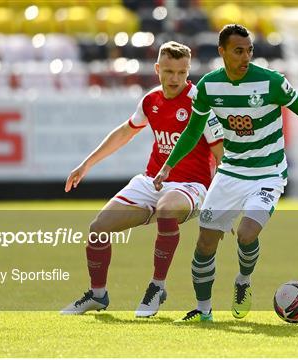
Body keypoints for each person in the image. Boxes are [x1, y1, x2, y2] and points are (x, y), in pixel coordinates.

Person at [153, 24, 298, 322]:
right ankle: (204, 311)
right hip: (230, 172)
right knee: (205, 243)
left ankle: (244, 281)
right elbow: (194, 130)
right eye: (238, 51)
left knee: (246, 235)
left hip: (268, 173)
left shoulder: (271, 82)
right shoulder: (208, 87)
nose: (246, 57)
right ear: (222, 52)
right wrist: (169, 164)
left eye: (249, 51)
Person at [60, 41, 224, 317]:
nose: (175, 79)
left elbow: (221, 153)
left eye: (181, 73)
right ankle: (97, 295)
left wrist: (222, 199)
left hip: (191, 186)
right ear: (158, 69)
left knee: (167, 210)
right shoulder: (151, 100)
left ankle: (157, 287)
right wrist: (86, 164)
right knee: (98, 228)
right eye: (169, 71)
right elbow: (125, 132)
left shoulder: (200, 104)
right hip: (152, 181)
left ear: (188, 72)